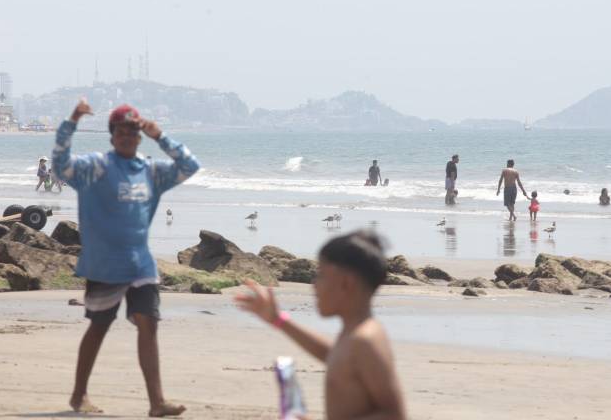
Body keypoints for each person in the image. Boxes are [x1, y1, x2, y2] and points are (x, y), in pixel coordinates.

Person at [52, 98, 200, 417]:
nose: (128, 137)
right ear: (111, 135)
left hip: (141, 265)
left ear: (140, 136)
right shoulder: (95, 167)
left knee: (149, 323)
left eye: (134, 131)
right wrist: (72, 120)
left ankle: (157, 402)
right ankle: (78, 396)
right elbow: (59, 164)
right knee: (98, 328)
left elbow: (190, 166)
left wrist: (161, 137)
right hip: (104, 265)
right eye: (121, 131)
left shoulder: (151, 171)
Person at [234, 231, 407, 420]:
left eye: (322, 275)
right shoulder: (354, 334)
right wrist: (279, 320)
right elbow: (335, 356)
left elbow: (393, 415)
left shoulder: (365, 340)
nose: (314, 285)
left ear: (346, 283)